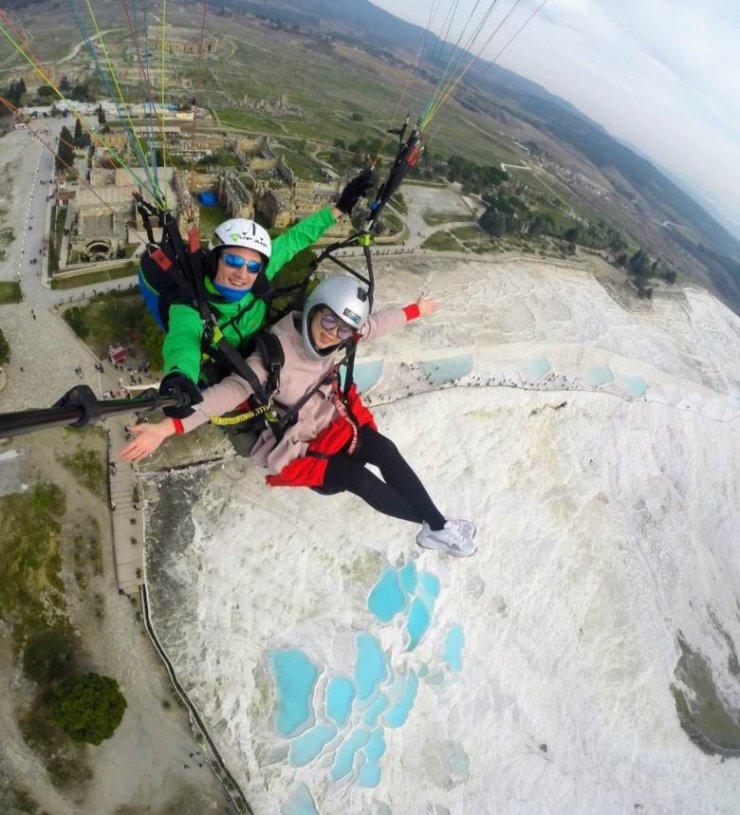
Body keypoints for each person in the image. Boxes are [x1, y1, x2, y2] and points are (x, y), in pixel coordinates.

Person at [121, 275, 477, 557]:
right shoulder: (272, 359)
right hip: (300, 447)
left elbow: (374, 325)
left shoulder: (341, 335)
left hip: (330, 421)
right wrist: (167, 428)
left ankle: (437, 527)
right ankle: (436, 526)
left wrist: (416, 310)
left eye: (342, 330)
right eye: (328, 322)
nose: (331, 336)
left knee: (384, 450)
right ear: (314, 309)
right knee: (359, 479)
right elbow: (225, 395)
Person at [138, 171, 374, 418]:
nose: (243, 273)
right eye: (232, 261)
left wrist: (340, 208)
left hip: (262, 350)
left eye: (252, 267)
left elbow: (295, 239)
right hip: (231, 363)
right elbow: (183, 342)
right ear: (214, 260)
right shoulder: (190, 306)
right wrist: (180, 377)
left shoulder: (258, 276)